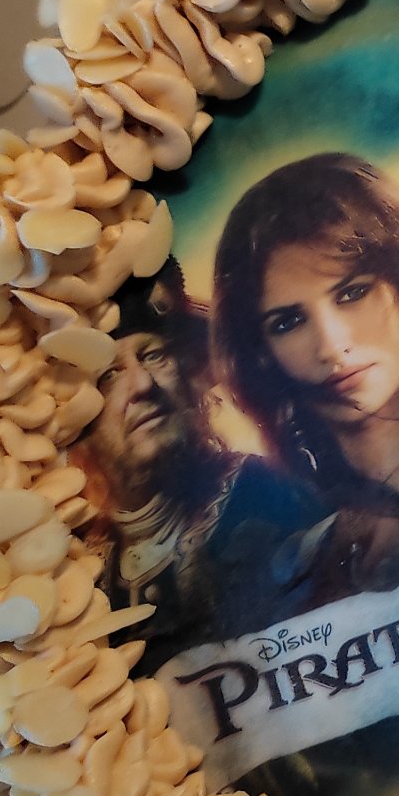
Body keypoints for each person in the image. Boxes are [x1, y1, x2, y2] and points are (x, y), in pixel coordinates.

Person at [211, 153, 399, 595]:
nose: (331, 346)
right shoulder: (289, 542)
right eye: (288, 322)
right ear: (261, 354)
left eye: (352, 293)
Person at [74, 259, 326, 672]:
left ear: (190, 375)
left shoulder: (272, 492)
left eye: (153, 355)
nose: (142, 384)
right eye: (109, 375)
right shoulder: (78, 571)